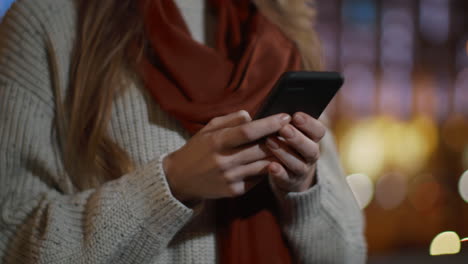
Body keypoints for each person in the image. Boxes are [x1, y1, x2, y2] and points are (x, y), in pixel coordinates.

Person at [0, 0, 366, 263]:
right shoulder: (48, 20)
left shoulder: (283, 30)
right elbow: (10, 242)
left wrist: (302, 191)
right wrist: (171, 184)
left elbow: (348, 252)